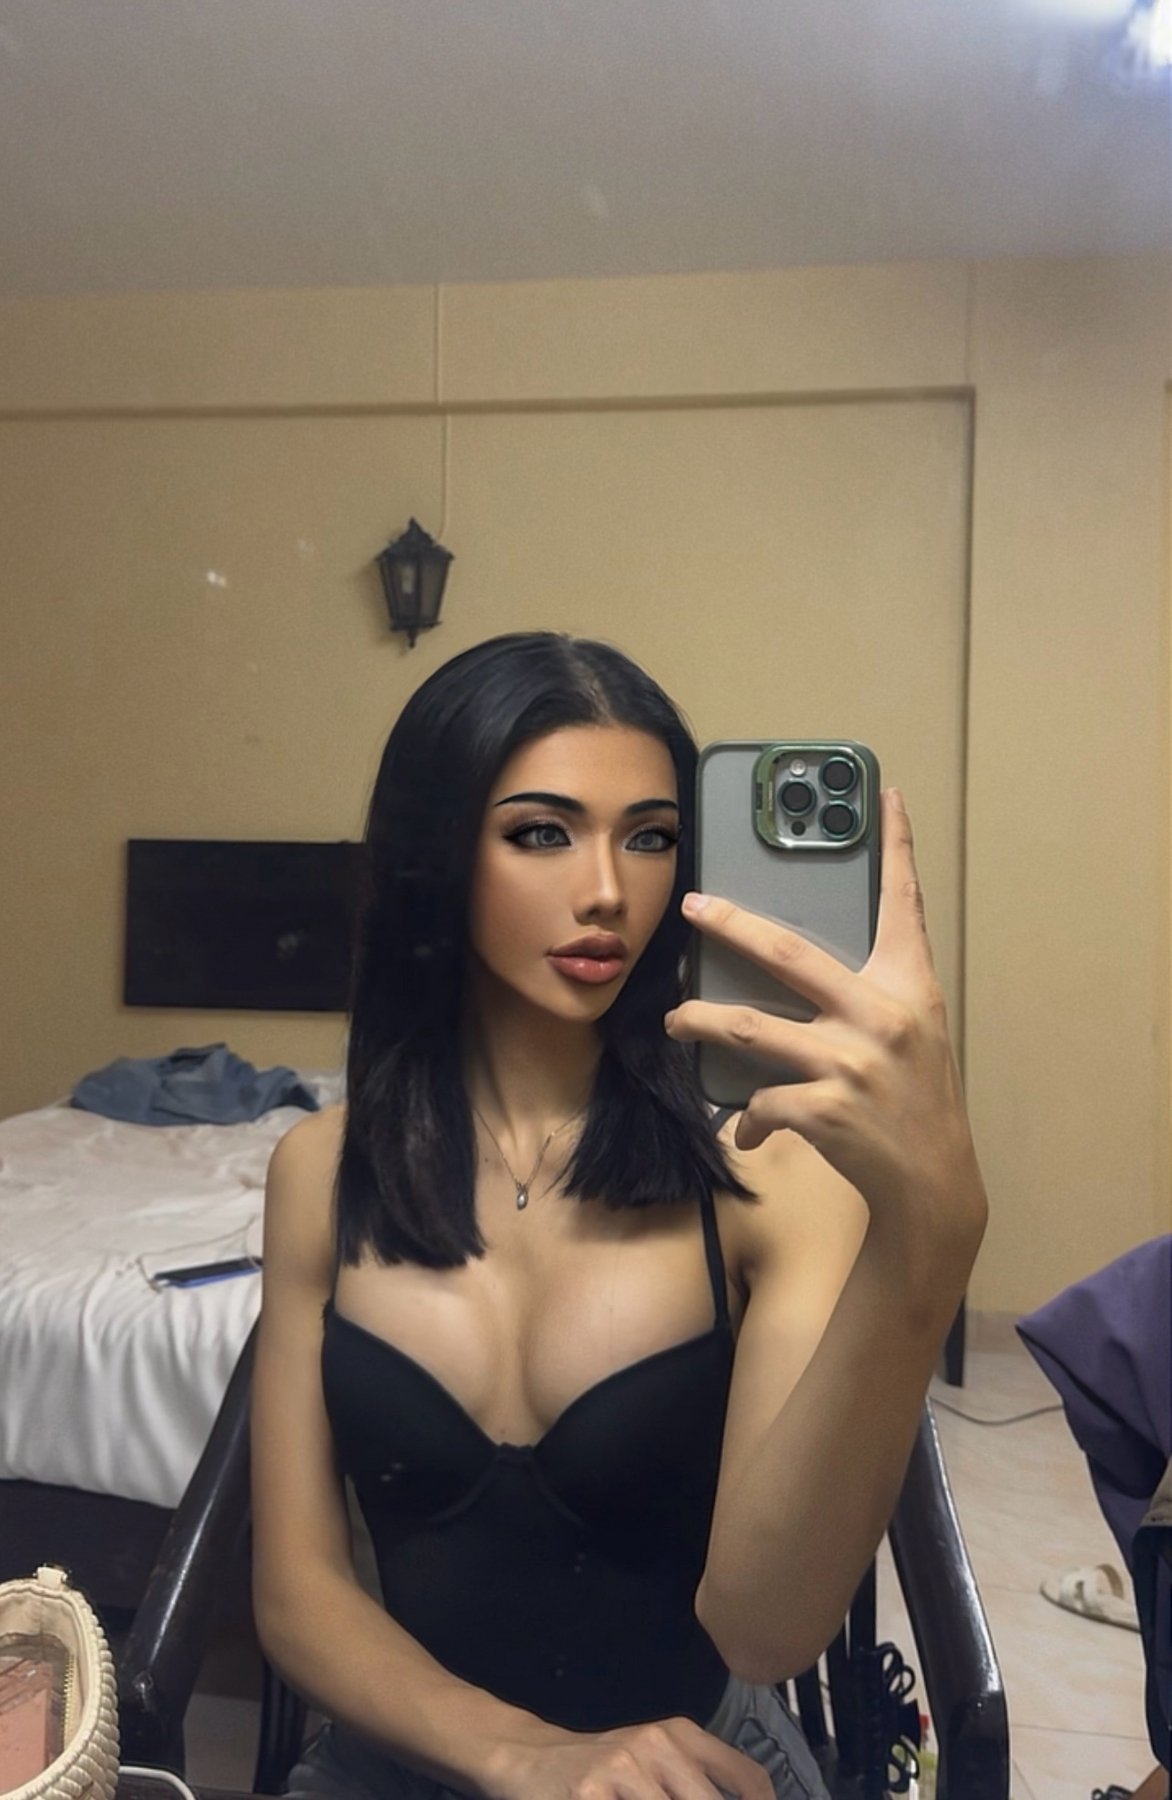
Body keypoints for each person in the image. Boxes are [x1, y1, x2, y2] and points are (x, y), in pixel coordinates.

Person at [251, 632, 988, 1800]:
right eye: (541, 833)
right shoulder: (319, 1170)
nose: (607, 891)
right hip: (397, 1761)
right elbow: (298, 1591)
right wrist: (524, 1755)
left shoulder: (764, 1172)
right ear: (434, 854)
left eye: (649, 836)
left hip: (687, 1769)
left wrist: (928, 1233)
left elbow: (764, 1628)